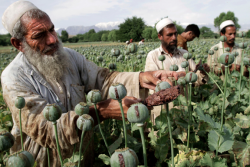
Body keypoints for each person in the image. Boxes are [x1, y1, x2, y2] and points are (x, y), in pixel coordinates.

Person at [1, 1, 180, 167]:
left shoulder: (69, 56)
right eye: (40, 35)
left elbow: (104, 80)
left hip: (84, 156)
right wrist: (102, 111)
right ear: (18, 44)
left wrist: (140, 77)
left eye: (52, 30)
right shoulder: (13, 77)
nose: (53, 39)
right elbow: (46, 129)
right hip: (43, 161)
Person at [144, 18, 209, 125]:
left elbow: (195, 81)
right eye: (169, 35)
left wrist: (202, 73)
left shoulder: (185, 54)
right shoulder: (153, 56)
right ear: (160, 36)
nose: (174, 38)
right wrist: (181, 75)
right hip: (163, 114)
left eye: (175, 34)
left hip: (184, 111)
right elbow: (153, 85)